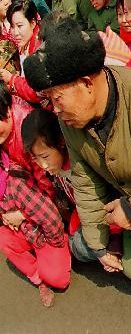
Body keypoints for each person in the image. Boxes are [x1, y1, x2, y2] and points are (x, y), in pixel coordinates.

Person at [22, 18, 131, 286]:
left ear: (86, 83)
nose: (55, 110)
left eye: (57, 98)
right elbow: (85, 181)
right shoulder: (70, 118)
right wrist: (99, 246)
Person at [0, 91, 70, 307]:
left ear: (7, 110)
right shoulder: (7, 135)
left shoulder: (29, 135)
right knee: (5, 238)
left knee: (59, 278)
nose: (41, 162)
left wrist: (22, 215)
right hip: (23, 208)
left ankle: (61, 248)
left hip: (44, 209)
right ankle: (39, 276)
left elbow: (49, 186)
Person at [1, 0, 43, 106]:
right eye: (13, 27)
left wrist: (11, 79)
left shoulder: (40, 50)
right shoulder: (25, 42)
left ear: (33, 23)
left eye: (20, 26)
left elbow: (37, 93)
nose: (15, 33)